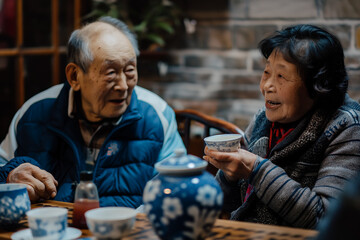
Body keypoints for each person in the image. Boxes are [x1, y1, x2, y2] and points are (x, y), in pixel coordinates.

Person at [0, 16, 185, 208]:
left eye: (130, 70)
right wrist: (9, 177)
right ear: (75, 76)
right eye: (111, 73)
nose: (123, 86)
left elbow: (178, 188)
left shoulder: (157, 115)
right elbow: (2, 168)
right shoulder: (34, 113)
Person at [204, 24, 360, 229]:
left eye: (281, 76)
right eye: (267, 72)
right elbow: (227, 205)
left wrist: (255, 170)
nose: (267, 86)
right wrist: (230, 176)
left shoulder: (346, 127)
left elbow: (325, 219)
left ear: (319, 85)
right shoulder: (263, 118)